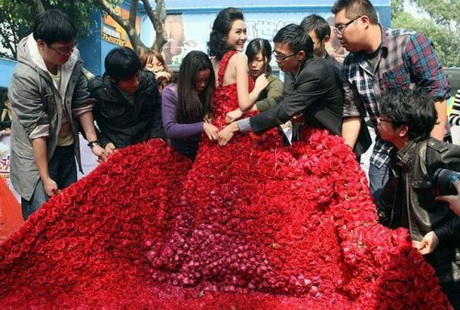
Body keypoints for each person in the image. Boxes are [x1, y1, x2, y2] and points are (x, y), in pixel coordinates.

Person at [0, 7, 450, 309]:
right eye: (240, 34)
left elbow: (277, 110)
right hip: (207, 147)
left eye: (272, 53)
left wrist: (239, 118)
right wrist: (228, 121)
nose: (252, 47)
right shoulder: (191, 81)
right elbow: (186, 125)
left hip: (277, 144)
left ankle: (427, 248)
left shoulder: (305, 71)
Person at [331, 0, 451, 200]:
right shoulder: (350, 65)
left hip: (424, 141)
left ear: (364, 21)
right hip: (386, 147)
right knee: (382, 206)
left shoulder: (409, 43)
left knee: (427, 210)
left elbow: (437, 94)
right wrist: (342, 156)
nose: (338, 35)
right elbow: (352, 114)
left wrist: (431, 153)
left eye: (341, 27)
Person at [8, 9, 107, 220]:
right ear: (42, 44)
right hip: (35, 157)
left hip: (65, 147)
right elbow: (37, 129)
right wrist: (45, 177)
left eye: (72, 47)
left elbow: (81, 102)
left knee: (67, 214)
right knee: (41, 218)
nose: (69, 54)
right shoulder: (24, 77)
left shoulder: (72, 59)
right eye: (63, 50)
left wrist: (94, 143)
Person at [218, 24, 371, 158]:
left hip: (343, 141)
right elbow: (288, 101)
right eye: (276, 54)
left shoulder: (315, 72)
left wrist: (237, 126)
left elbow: (284, 110)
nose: (277, 60)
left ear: (300, 55)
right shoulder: (299, 68)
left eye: (281, 56)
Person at [377, 88, 460, 308]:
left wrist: (438, 235)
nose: (378, 121)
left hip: (445, 264)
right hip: (413, 258)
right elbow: (387, 203)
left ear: (403, 129)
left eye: (383, 118)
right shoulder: (398, 156)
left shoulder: (442, 157)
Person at [89, 47, 165, 155]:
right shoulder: (98, 91)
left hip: (147, 149)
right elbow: (84, 121)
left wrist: (156, 136)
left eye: (137, 75)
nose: (136, 83)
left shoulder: (148, 81)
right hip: (116, 152)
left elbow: (158, 109)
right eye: (128, 80)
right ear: (113, 79)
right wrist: (103, 142)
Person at [162, 51, 218, 160]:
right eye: (198, 80)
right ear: (188, 77)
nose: (203, 85)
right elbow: (170, 129)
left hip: (205, 149)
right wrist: (202, 126)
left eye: (206, 80)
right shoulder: (171, 93)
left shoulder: (207, 90)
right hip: (180, 153)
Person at [284, 14, 340, 96]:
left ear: (326, 39)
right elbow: (288, 95)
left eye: (311, 43)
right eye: (303, 41)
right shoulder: (293, 65)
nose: (305, 46)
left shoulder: (335, 68)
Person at [245, 38, 283, 113]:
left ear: (268, 60)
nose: (253, 65)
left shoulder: (275, 82)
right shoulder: (242, 78)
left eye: (259, 60)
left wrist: (241, 110)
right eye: (250, 60)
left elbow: (271, 102)